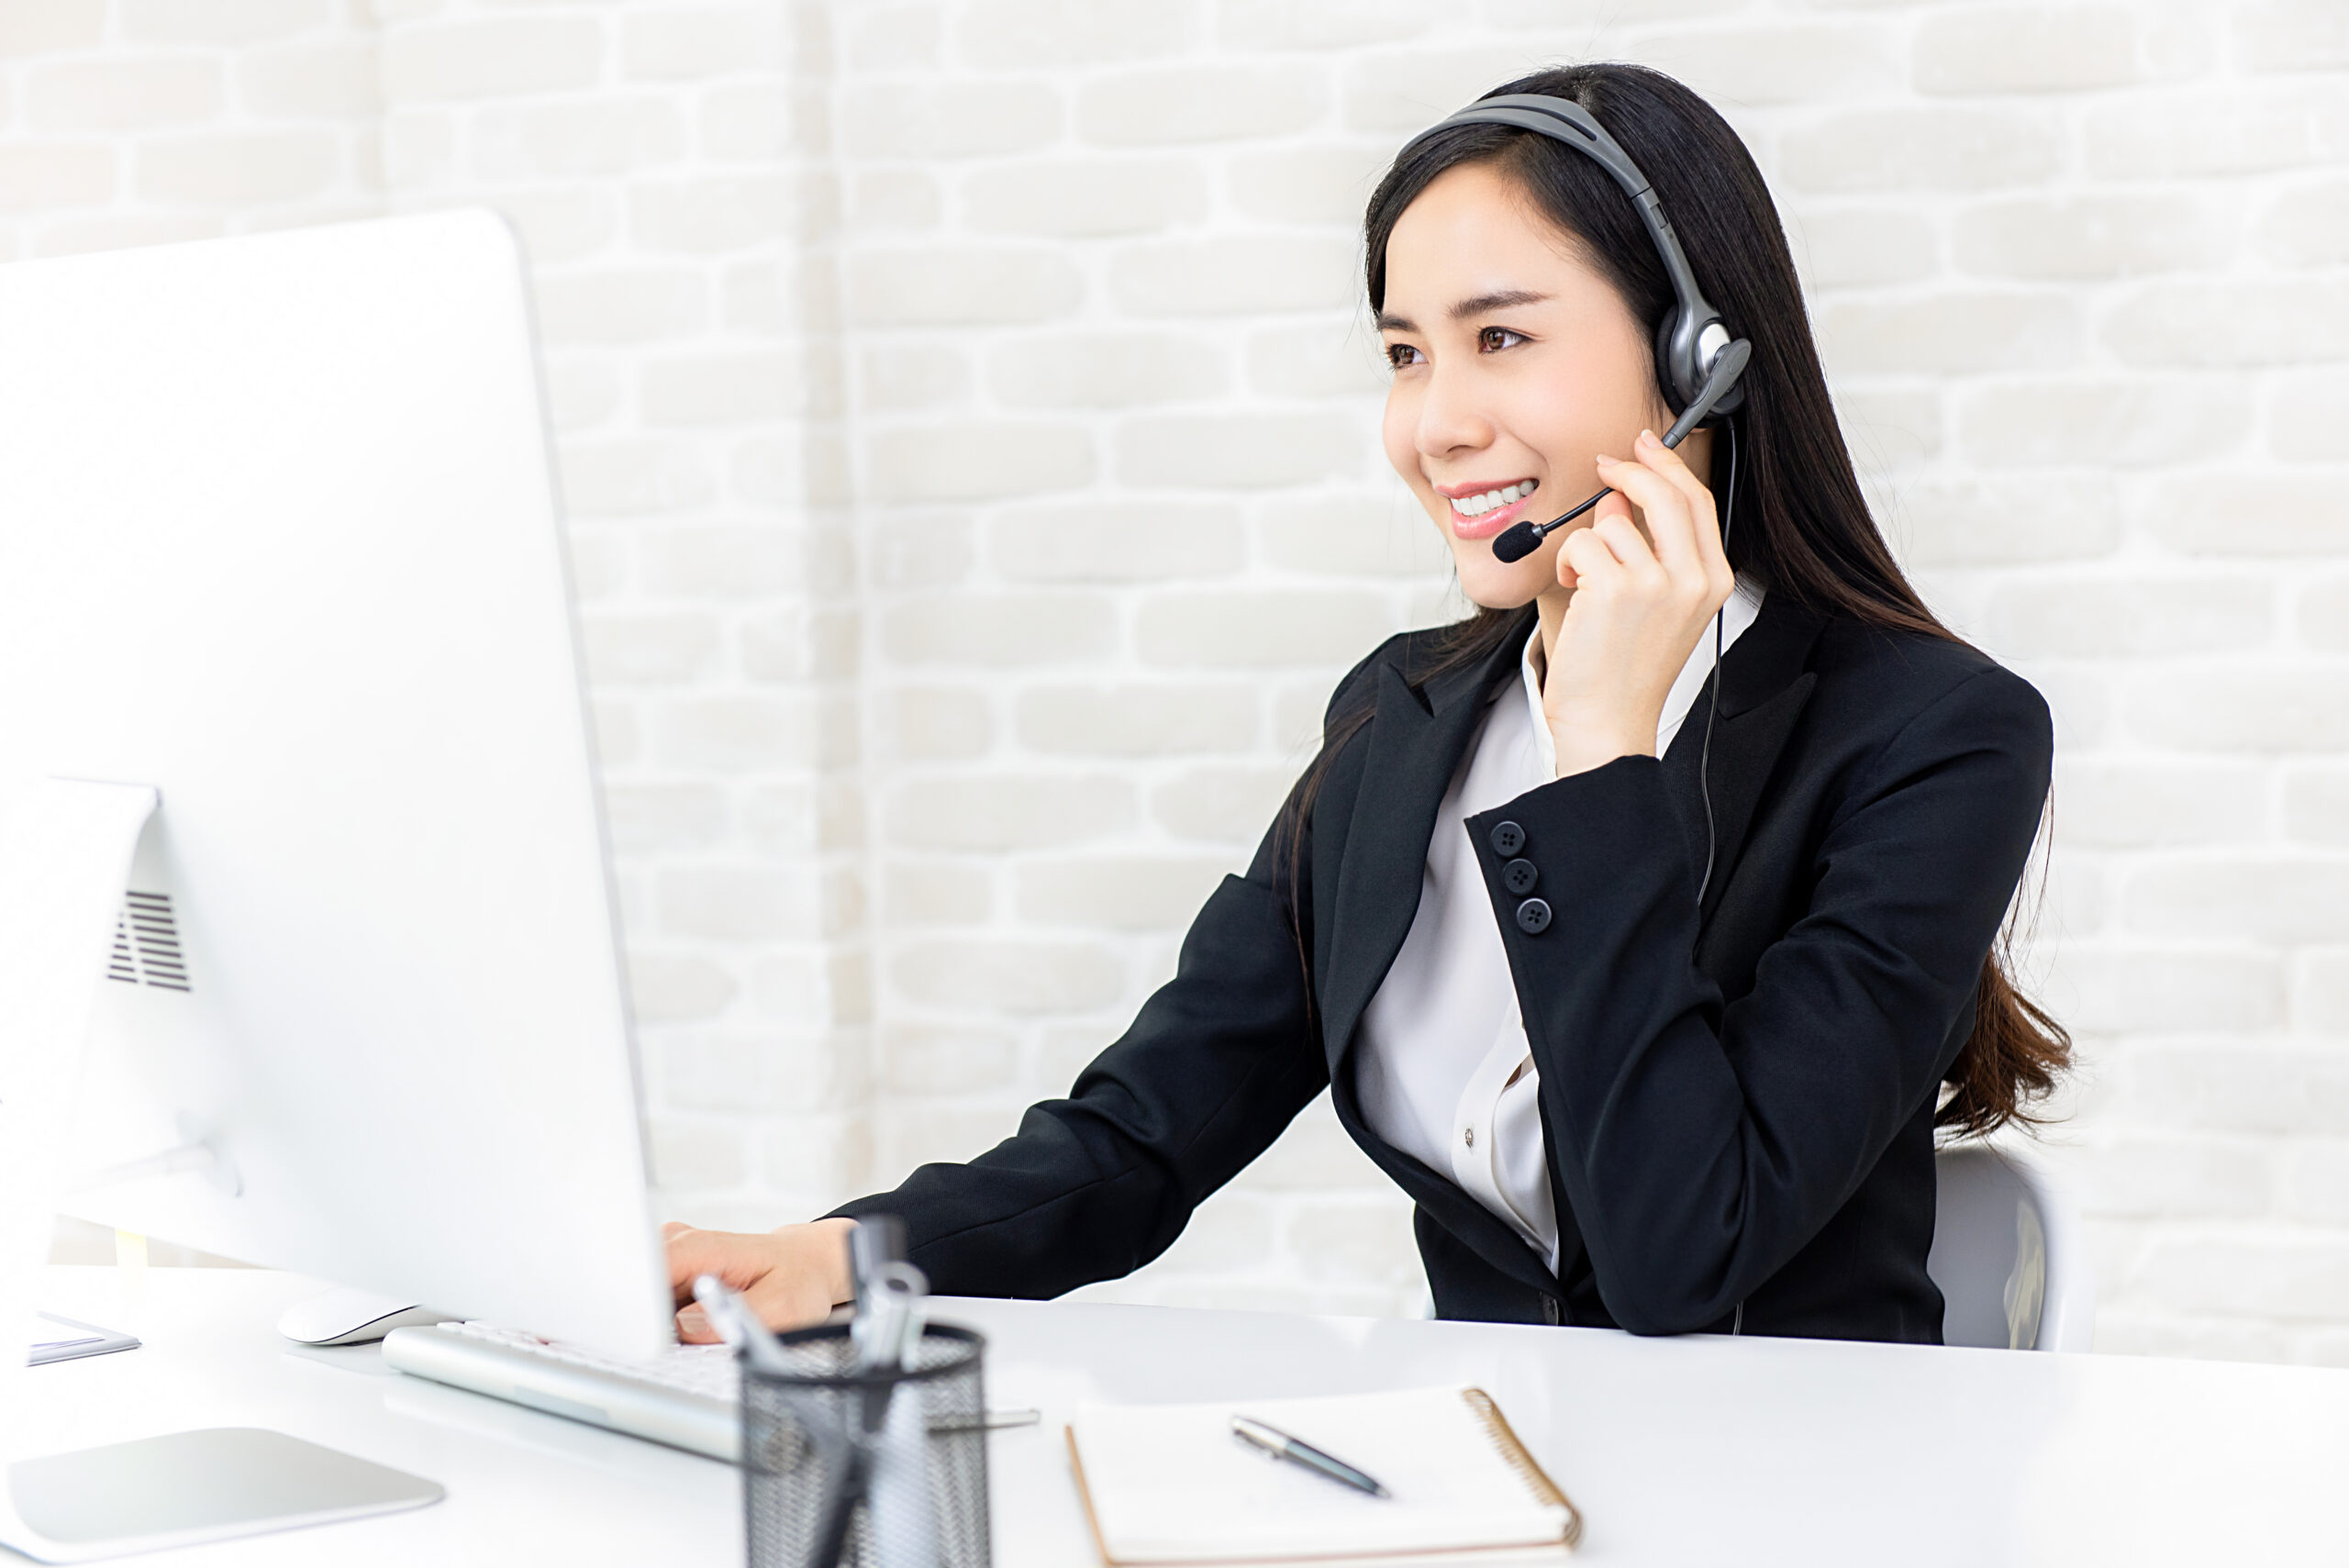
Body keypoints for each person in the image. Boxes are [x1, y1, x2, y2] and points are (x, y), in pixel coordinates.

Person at [664, 61, 2068, 1345]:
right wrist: (841, 1255)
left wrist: (1602, 758)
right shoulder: (1401, 718)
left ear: (1700, 357)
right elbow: (1144, 1132)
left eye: (1501, 338)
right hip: (1493, 1478)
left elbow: (1677, 1258)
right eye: (1405, 353)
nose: (1434, 423)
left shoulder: (1933, 734)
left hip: (1811, 1495)